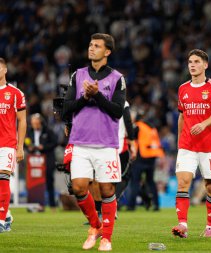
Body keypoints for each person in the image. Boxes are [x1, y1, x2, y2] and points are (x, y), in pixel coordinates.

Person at [62, 33, 126, 251]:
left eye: (97, 46)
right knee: (79, 187)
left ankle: (106, 238)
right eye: (90, 44)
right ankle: (96, 226)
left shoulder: (117, 78)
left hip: (106, 143)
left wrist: (97, 96)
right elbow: (67, 108)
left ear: (107, 52)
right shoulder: (77, 76)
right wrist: (85, 97)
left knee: (107, 190)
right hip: (80, 141)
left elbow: (118, 112)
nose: (92, 48)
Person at [171, 49, 211, 238]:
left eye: (196, 62)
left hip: (209, 145)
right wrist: (179, 141)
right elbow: (181, 117)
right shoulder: (183, 88)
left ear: (205, 65)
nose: (192, 65)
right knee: (183, 182)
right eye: (190, 62)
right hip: (187, 145)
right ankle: (182, 225)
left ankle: (210, 227)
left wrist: (203, 124)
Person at [0, 57, 27, 233]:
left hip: (7, 143)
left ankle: (1, 220)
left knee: (3, 178)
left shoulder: (15, 93)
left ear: (5, 70)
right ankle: (7, 214)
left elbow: (22, 121)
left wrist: (20, 147)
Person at [128, 112, 164, 211]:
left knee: (135, 181)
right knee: (151, 182)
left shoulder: (138, 126)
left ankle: (131, 206)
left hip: (141, 156)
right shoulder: (152, 127)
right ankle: (156, 205)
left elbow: (130, 137)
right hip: (152, 156)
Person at [25, 113, 58, 211]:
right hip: (34, 161)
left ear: (41, 122)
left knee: (49, 181)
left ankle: (52, 206)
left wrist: (44, 147)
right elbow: (24, 143)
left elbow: (55, 142)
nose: (35, 125)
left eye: (36, 123)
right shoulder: (29, 132)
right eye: (33, 123)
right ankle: (34, 205)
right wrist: (29, 148)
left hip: (47, 159)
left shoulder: (48, 131)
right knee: (34, 182)